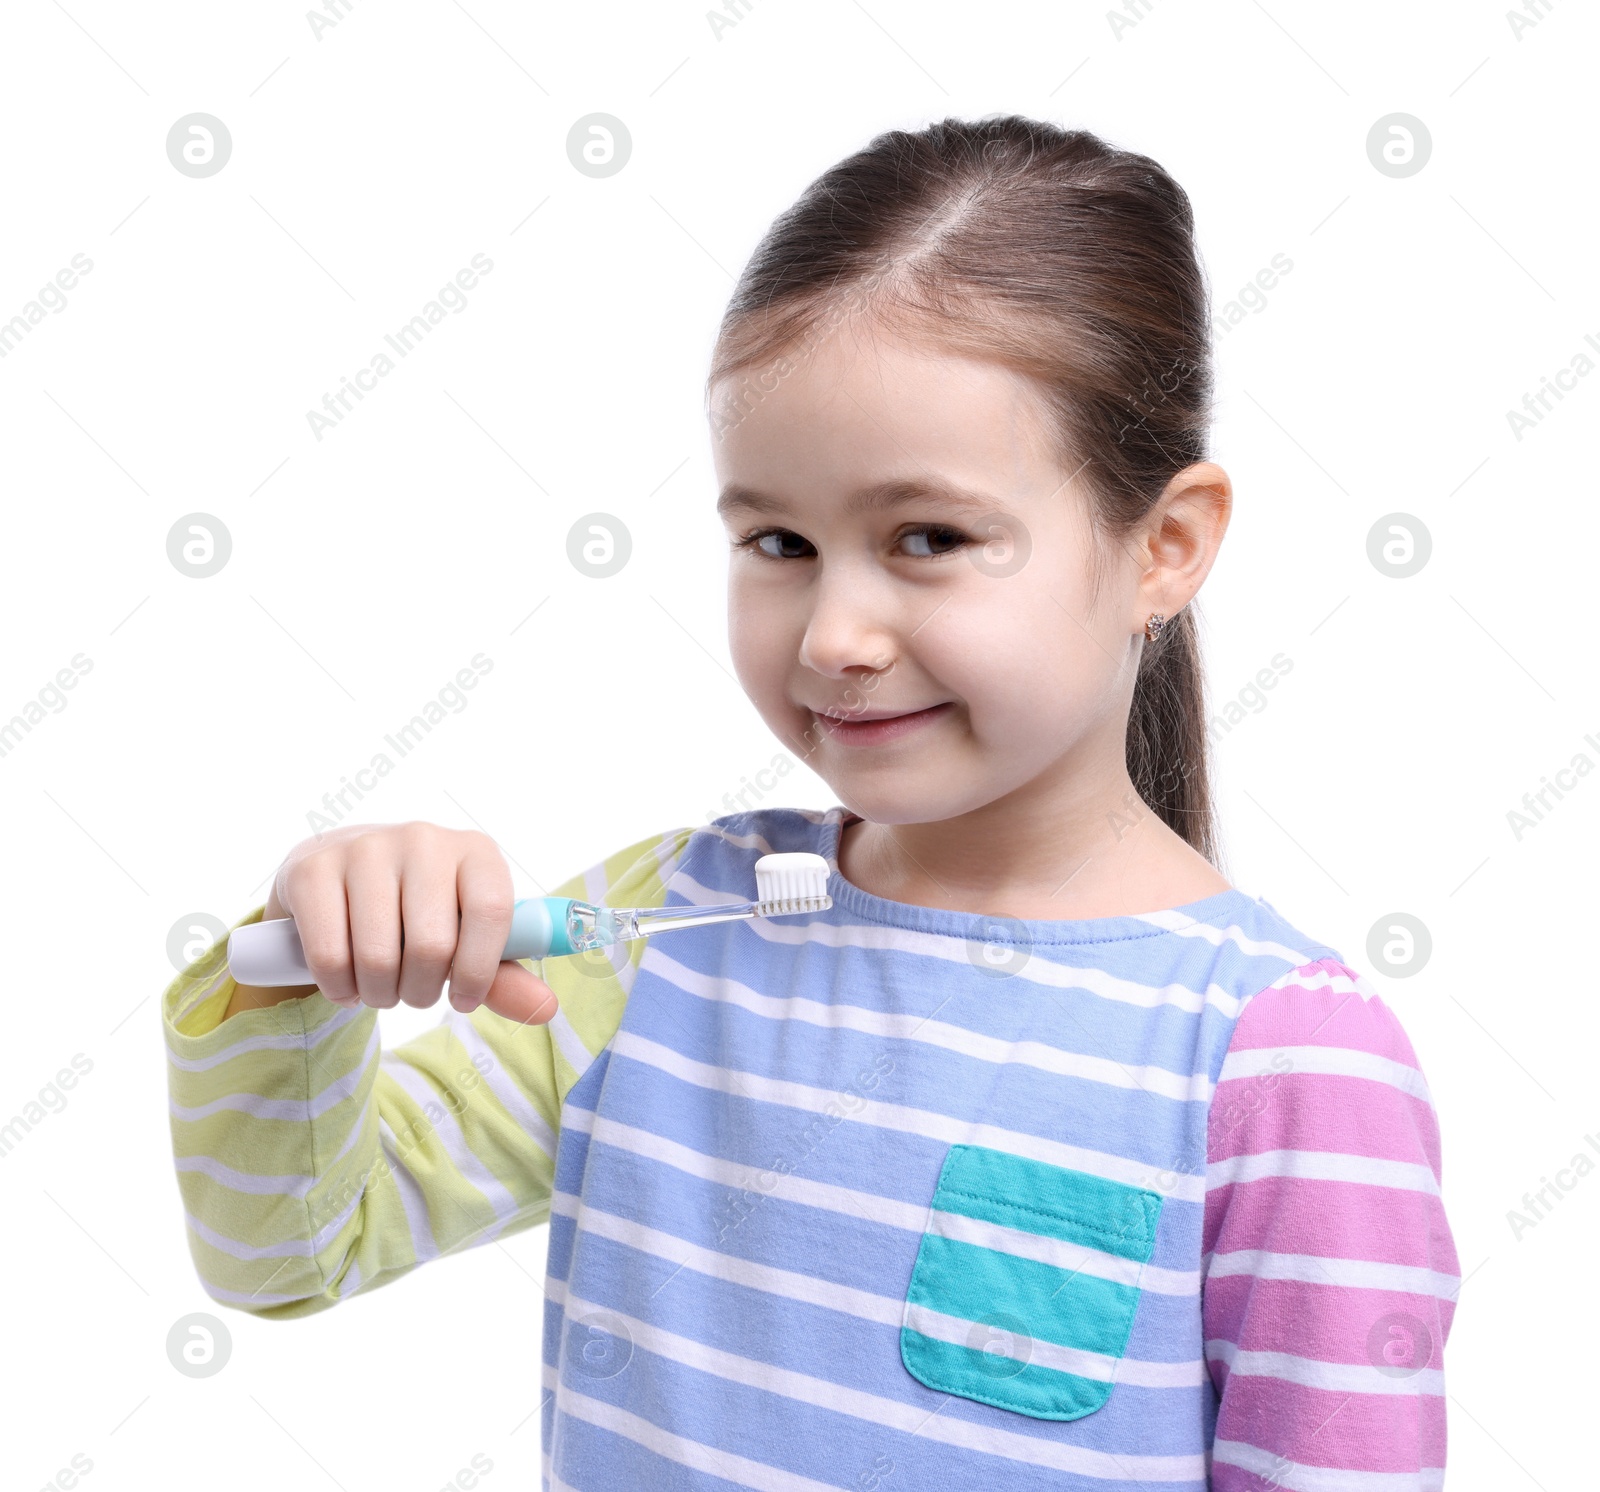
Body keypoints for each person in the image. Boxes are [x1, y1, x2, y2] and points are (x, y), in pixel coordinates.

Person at [162, 115, 1457, 1489]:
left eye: (930, 538)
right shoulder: (657, 930)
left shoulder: (1284, 1058)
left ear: (1166, 547)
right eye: (777, 540)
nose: (835, 632)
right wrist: (304, 971)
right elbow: (287, 1255)